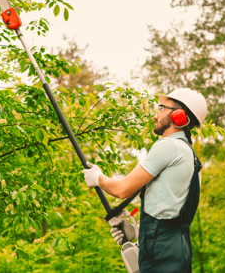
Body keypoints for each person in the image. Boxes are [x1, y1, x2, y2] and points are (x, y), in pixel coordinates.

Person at [82, 88, 208, 273]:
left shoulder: (169, 145)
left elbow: (123, 189)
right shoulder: (192, 158)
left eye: (161, 108)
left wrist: (98, 178)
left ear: (178, 115)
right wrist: (139, 231)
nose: (155, 116)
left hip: (161, 253)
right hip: (177, 250)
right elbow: (171, 214)